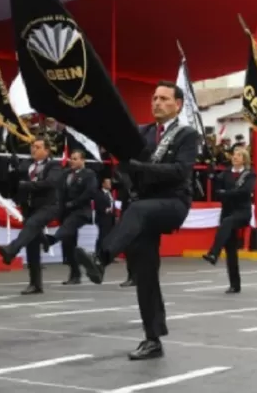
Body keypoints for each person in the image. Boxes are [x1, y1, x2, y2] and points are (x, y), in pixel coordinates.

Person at [74, 81, 200, 360]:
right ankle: (152, 339)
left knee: (138, 210)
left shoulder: (187, 135)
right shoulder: (142, 133)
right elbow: (122, 158)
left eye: (164, 98)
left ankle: (101, 259)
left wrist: (140, 168)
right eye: (154, 98)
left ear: (177, 104)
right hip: (143, 207)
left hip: (173, 203)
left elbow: (180, 171)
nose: (156, 102)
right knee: (145, 272)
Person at [0, 137, 62, 294]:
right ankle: (35, 284)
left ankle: (12, 249)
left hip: (48, 206)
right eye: (32, 146)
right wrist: (13, 169)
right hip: (30, 207)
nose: (33, 149)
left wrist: (28, 185)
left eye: (38, 147)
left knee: (32, 225)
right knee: (32, 244)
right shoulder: (27, 164)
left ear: (46, 150)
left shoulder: (53, 165)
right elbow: (15, 183)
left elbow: (50, 183)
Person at [201, 147, 255, 293]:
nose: (235, 157)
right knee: (231, 250)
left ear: (244, 159)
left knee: (227, 222)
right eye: (234, 155)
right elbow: (216, 189)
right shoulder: (225, 173)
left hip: (242, 212)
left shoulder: (249, 174)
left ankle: (213, 253)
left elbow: (245, 192)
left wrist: (226, 193)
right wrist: (211, 173)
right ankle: (234, 284)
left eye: (239, 155)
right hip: (227, 212)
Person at [45, 149, 97, 285]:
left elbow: (90, 192)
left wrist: (75, 202)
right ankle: (75, 274)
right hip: (66, 211)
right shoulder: (66, 174)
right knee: (69, 244)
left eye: (75, 159)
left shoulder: (89, 174)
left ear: (82, 160)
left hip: (80, 210)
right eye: (71, 158)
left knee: (70, 224)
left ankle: (53, 239)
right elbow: (59, 191)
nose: (71, 161)